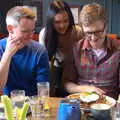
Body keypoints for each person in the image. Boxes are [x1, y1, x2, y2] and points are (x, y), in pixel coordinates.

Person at [62, 3, 120, 99]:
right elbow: (67, 84)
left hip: (108, 106)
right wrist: (86, 89)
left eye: (98, 32)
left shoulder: (118, 49)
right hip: (81, 104)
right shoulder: (75, 49)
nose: (93, 38)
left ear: (106, 27)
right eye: (88, 33)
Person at [0, 6, 49, 96]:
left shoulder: (40, 51)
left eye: (32, 31)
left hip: (33, 104)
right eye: (25, 31)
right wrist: (8, 54)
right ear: (10, 29)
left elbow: (43, 89)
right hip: (7, 105)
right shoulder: (0, 48)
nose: (30, 36)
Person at [39, 0, 83, 97]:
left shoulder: (77, 32)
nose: (62, 25)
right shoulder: (45, 34)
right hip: (54, 72)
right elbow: (44, 62)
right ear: (51, 21)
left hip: (75, 73)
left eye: (66, 21)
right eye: (57, 22)